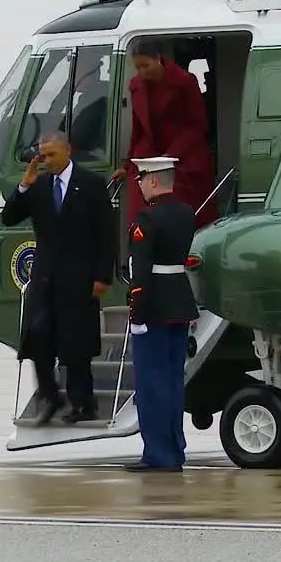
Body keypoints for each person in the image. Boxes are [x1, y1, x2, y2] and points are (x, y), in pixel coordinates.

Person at [1, 131, 115, 425]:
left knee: (76, 343)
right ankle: (49, 397)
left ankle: (82, 403)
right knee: (38, 336)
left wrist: (103, 275)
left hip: (79, 276)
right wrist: (24, 184)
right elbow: (9, 217)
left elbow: (106, 233)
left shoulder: (90, 184)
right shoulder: (37, 187)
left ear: (68, 151)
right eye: (43, 155)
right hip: (45, 277)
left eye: (51, 155)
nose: (46, 161)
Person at [124, 156, 199, 473]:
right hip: (180, 302)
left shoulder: (147, 218)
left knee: (151, 384)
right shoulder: (186, 214)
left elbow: (140, 272)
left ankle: (159, 455)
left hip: (153, 306)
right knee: (172, 383)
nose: (139, 185)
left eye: (141, 179)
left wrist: (136, 313)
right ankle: (175, 449)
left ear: (153, 181)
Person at [112, 41, 217, 230]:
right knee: (140, 207)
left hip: (183, 154)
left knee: (183, 208)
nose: (143, 71)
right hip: (149, 154)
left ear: (158, 59)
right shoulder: (136, 85)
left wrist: (170, 156)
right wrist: (128, 165)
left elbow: (198, 125)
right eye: (138, 67)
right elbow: (138, 129)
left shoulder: (185, 81)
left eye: (146, 65)